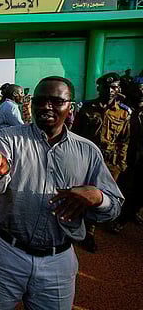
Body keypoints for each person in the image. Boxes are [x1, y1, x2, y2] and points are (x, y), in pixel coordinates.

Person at [0, 76, 124, 310]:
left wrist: (97, 197)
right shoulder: (9, 138)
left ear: (70, 106)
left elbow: (114, 206)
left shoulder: (88, 152)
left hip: (58, 261)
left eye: (56, 101)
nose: (46, 106)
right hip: (6, 254)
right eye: (40, 100)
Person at [72, 72, 130, 252]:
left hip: (110, 160)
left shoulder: (123, 112)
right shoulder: (87, 108)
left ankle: (90, 232)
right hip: (87, 158)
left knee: (100, 196)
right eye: (108, 87)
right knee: (82, 191)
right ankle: (77, 227)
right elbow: (75, 134)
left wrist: (121, 162)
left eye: (116, 87)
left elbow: (124, 140)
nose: (112, 91)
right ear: (100, 88)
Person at [109, 77, 143, 232]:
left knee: (137, 190)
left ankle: (129, 214)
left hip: (140, 157)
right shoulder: (125, 110)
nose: (141, 93)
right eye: (139, 90)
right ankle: (118, 217)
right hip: (124, 156)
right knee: (122, 187)